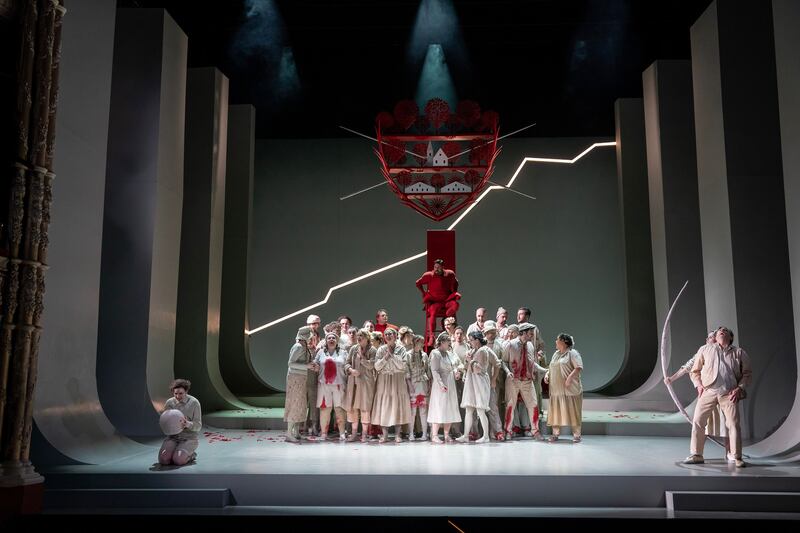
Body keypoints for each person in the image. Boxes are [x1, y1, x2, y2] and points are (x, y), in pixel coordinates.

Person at [684, 327, 751, 468]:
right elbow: (694, 371)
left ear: (730, 337)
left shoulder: (739, 352)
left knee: (733, 424)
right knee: (698, 421)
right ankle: (697, 454)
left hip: (729, 393)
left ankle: (736, 456)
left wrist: (740, 388)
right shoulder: (705, 349)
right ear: (715, 335)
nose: (721, 330)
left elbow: (747, 374)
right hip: (708, 391)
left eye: (725, 330)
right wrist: (698, 385)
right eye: (719, 330)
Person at [665, 331, 730, 457]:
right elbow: (687, 367)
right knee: (700, 423)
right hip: (707, 394)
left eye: (715, 337)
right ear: (707, 340)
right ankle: (697, 454)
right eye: (711, 337)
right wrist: (671, 379)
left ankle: (730, 453)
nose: (714, 340)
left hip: (722, 393)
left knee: (726, 424)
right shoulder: (702, 352)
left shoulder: (725, 352)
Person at [502, 323, 547, 440]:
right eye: (530, 332)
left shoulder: (530, 346)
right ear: (523, 332)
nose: (532, 335)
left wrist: (545, 370)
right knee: (510, 405)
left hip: (527, 380)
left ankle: (535, 431)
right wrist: (508, 372)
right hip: (513, 380)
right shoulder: (510, 345)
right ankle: (508, 431)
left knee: (533, 404)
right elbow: (504, 361)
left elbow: (532, 363)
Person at [372, 328, 412, 443]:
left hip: (397, 379)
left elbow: (403, 366)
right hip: (384, 379)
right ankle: (384, 435)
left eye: (390, 334)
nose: (388, 336)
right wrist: (386, 357)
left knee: (397, 405)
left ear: (395, 336)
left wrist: (392, 356)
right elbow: (377, 366)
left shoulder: (401, 349)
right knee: (384, 405)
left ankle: (397, 434)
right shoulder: (381, 349)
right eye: (386, 334)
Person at [545, 333, 584, 442]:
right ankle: (555, 434)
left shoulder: (572, 353)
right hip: (556, 390)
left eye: (557, 340)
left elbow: (578, 367)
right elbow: (552, 366)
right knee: (556, 411)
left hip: (569, 390)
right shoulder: (556, 354)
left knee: (573, 411)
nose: (555, 342)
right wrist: (547, 374)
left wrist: (569, 379)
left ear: (564, 342)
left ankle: (577, 435)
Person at [457, 331, 492, 443]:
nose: (470, 342)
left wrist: (470, 360)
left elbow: (478, 369)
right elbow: (468, 367)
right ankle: (466, 435)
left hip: (480, 383)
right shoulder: (473, 351)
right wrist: (467, 360)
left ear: (477, 340)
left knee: (480, 410)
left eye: (471, 340)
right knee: (469, 409)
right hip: (472, 382)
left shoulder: (482, 351)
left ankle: (486, 436)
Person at [415, 259, 461, 346]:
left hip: (447, 300)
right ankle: (432, 336)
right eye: (435, 267)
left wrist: (454, 292)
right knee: (433, 312)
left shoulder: (449, 273)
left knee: (455, 305)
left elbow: (456, 282)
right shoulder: (429, 275)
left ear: (443, 267)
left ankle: (446, 319)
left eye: (439, 268)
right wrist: (424, 293)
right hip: (435, 302)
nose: (436, 269)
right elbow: (418, 283)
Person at [314, 332, 349, 440]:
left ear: (337, 340)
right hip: (324, 384)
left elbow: (348, 365)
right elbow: (316, 363)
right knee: (325, 409)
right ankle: (324, 433)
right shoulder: (320, 352)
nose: (331, 339)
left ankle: (342, 433)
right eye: (329, 338)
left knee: (340, 408)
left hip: (339, 384)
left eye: (333, 338)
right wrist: (314, 366)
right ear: (326, 340)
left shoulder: (343, 352)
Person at [428, 332, 461, 443]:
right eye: (448, 342)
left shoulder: (448, 353)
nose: (450, 344)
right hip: (440, 384)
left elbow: (454, 366)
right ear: (442, 342)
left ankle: (446, 434)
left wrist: (456, 373)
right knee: (439, 407)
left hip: (450, 382)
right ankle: (434, 435)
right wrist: (441, 384)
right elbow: (434, 371)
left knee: (449, 408)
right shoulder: (435, 353)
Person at [158, 379, 202, 465]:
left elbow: (198, 426)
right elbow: (167, 421)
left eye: (181, 393)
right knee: (164, 460)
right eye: (175, 393)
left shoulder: (194, 403)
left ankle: (191, 455)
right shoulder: (169, 403)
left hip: (188, 438)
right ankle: (175, 450)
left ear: (186, 391)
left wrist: (187, 424)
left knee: (178, 460)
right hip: (173, 437)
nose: (178, 396)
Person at [344, 328, 377, 442]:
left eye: (361, 336)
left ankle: (364, 434)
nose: (358, 338)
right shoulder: (353, 348)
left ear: (367, 338)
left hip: (366, 383)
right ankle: (353, 434)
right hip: (354, 383)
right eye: (358, 336)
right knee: (353, 409)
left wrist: (362, 358)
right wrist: (351, 370)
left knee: (365, 408)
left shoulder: (372, 350)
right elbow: (346, 363)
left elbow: (372, 365)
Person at [284, 326, 316, 443]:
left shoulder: (304, 346)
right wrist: (306, 366)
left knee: (300, 405)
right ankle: (289, 433)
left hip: (302, 378)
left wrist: (311, 365)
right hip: (295, 378)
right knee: (295, 404)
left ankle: (296, 431)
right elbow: (291, 363)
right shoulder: (298, 346)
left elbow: (304, 362)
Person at [482, 320, 505, 440]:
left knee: (493, 406)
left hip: (494, 379)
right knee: (480, 408)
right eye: (488, 332)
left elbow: (500, 363)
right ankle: (483, 431)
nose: (490, 334)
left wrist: (495, 378)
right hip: (481, 380)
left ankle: (497, 430)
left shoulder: (499, 345)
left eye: (492, 332)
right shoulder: (481, 345)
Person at [406, 334, 431, 441]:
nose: (421, 344)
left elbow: (427, 371)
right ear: (415, 343)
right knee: (412, 411)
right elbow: (406, 372)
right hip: (413, 385)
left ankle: (425, 434)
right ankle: (411, 433)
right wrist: (409, 386)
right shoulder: (408, 355)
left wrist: (429, 384)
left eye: (422, 342)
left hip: (422, 385)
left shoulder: (424, 355)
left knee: (423, 410)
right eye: (419, 342)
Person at [305, 314, 323, 435]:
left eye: (316, 323)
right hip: (307, 370)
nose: (314, 325)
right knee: (306, 398)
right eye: (312, 323)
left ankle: (314, 425)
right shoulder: (304, 336)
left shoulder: (318, 335)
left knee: (314, 397)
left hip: (316, 368)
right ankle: (305, 425)